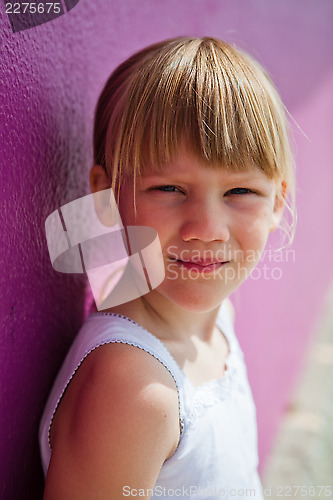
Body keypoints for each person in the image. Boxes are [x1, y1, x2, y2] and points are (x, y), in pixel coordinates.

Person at [39, 37, 295, 499]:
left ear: (277, 202)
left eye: (240, 193)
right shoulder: (133, 388)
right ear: (106, 195)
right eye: (169, 188)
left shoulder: (218, 322)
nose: (206, 228)